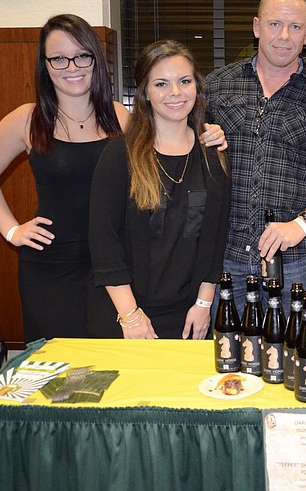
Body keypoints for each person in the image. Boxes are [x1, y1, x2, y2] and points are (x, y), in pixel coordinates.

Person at [0, 13, 128, 343]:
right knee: (57, 365)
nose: (72, 67)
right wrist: (12, 230)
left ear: (95, 60)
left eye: (81, 55)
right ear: (45, 64)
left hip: (111, 264)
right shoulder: (26, 119)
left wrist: (205, 135)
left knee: (109, 362)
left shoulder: (119, 116)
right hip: (49, 267)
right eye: (58, 58)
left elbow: (163, 161)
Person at [203, 0, 306, 311]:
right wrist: (200, 141)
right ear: (257, 27)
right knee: (224, 344)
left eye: (295, 27)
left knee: (296, 344)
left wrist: (302, 224)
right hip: (224, 259)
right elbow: (178, 152)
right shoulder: (216, 86)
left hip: (294, 263)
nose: (284, 36)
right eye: (275, 24)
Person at [89, 40, 231, 339]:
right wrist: (130, 315)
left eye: (185, 81)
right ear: (145, 93)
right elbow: (104, 241)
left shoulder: (212, 154)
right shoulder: (119, 155)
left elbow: (216, 238)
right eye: (161, 84)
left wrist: (204, 304)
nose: (176, 92)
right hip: (127, 312)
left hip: (191, 314)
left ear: (197, 86)